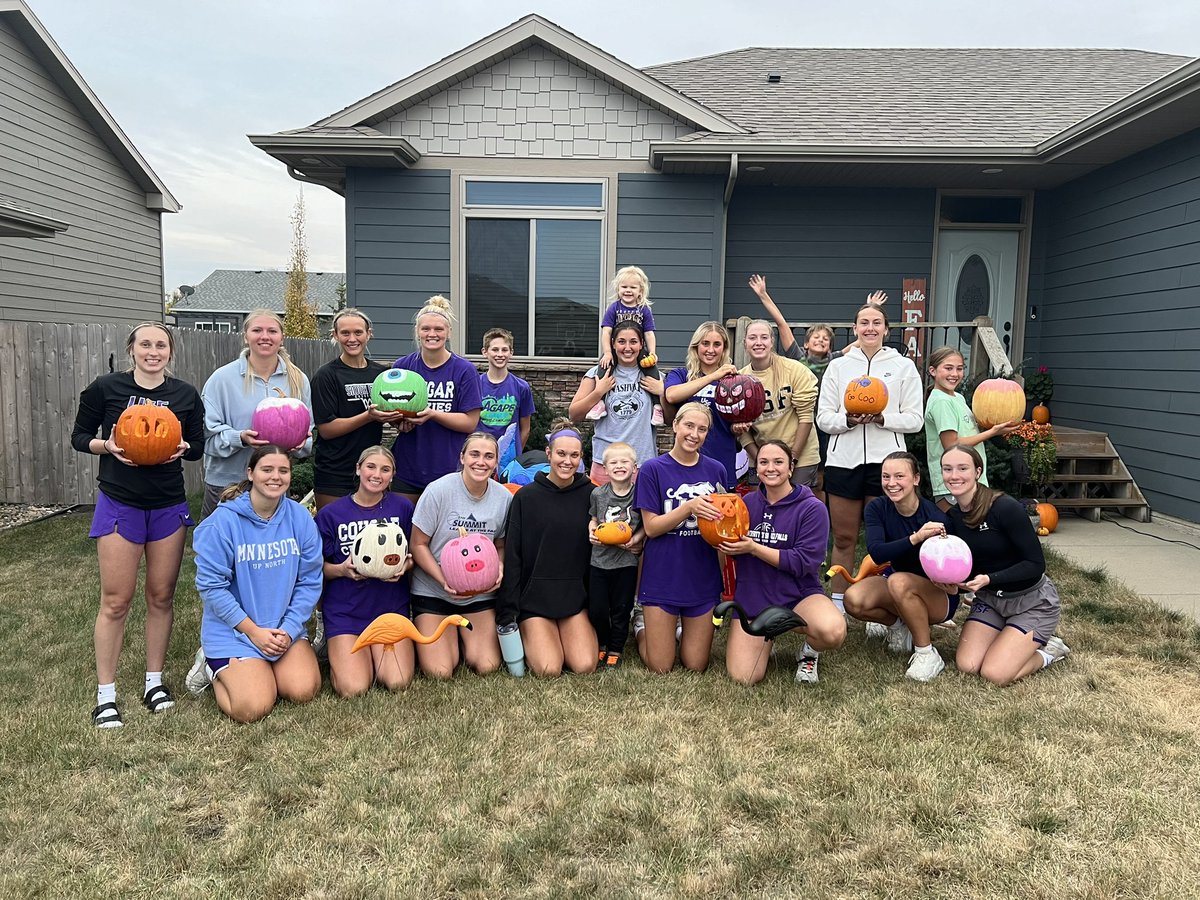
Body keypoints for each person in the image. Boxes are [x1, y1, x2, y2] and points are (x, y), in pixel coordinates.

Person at [71, 323, 205, 728]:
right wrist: (106, 446)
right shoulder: (105, 388)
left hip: (167, 505)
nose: (153, 351)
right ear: (132, 349)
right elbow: (79, 436)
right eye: (145, 344)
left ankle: (153, 682)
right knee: (115, 600)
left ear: (170, 352)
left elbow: (197, 448)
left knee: (161, 596)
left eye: (161, 345)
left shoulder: (184, 395)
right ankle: (106, 695)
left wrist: (183, 447)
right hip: (120, 502)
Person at [189, 446, 323, 723]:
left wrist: (288, 629)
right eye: (267, 469)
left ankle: (263, 669)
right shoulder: (223, 522)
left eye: (283, 471)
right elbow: (212, 588)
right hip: (236, 631)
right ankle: (211, 665)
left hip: (282, 629)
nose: (276, 477)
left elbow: (310, 581)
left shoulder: (300, 518)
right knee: (252, 708)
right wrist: (253, 632)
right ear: (250, 473)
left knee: (303, 690)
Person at [816, 302, 924, 611]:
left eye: (877, 322)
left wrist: (882, 419)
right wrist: (848, 421)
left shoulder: (903, 366)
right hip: (844, 461)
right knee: (846, 537)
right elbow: (824, 417)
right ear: (855, 328)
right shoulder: (838, 366)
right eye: (864, 322)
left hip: (887, 462)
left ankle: (885, 600)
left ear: (886, 329)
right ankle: (838, 601)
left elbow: (915, 419)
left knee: (888, 538)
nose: (870, 328)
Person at [941, 444, 1071, 685]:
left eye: (962, 468)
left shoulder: (1004, 507)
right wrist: (955, 587)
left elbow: (1035, 564)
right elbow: (968, 568)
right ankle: (1010, 637)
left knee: (995, 674)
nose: (954, 475)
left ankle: (1049, 651)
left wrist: (990, 579)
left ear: (978, 471)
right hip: (990, 600)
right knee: (967, 665)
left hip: (1032, 601)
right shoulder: (953, 517)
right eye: (947, 469)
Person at [720, 440, 845, 685]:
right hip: (754, 597)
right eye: (764, 462)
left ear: (791, 468)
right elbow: (730, 550)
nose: (771, 468)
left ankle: (809, 651)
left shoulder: (812, 508)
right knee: (744, 677)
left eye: (778, 462)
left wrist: (754, 548)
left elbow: (805, 562)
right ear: (757, 468)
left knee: (833, 631)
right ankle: (766, 641)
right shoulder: (743, 506)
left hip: (798, 595)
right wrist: (719, 539)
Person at [844, 451, 956, 682]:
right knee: (853, 599)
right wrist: (915, 538)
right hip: (898, 585)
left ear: (915, 479)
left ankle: (926, 652)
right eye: (886, 477)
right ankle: (898, 626)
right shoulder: (877, 508)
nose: (891, 483)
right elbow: (877, 551)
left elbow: (952, 567)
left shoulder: (935, 518)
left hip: (938, 595)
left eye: (899, 476)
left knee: (898, 580)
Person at [497, 421, 598, 676]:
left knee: (585, 665)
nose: (567, 461)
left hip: (574, 599)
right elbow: (514, 556)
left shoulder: (593, 495)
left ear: (581, 458)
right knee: (548, 669)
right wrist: (508, 612)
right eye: (561, 454)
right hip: (534, 600)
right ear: (549, 453)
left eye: (574, 455)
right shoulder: (525, 498)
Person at [634, 402, 727, 674]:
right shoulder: (653, 469)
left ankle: (675, 631)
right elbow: (651, 528)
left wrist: (720, 576)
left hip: (702, 575)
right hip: (663, 574)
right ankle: (641, 626)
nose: (694, 434)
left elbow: (724, 524)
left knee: (696, 665)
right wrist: (688, 507)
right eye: (689, 426)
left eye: (702, 429)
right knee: (660, 666)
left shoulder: (716, 470)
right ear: (675, 426)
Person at [315, 446, 415, 697]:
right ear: (358, 469)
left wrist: (405, 566)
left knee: (397, 681)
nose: (377, 474)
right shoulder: (331, 514)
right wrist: (341, 570)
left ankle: (371, 651)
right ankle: (337, 645)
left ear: (392, 475)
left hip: (389, 609)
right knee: (353, 688)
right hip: (346, 610)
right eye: (370, 466)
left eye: (385, 469)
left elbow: (414, 555)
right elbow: (315, 569)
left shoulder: (402, 509)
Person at [408, 432, 510, 678]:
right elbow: (418, 544)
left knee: (487, 665)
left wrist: (500, 567)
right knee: (439, 671)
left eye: (489, 456)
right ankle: (447, 638)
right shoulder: (438, 491)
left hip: (479, 595)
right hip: (434, 591)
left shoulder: (503, 497)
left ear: (496, 462)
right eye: (474, 454)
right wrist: (444, 579)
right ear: (462, 457)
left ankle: (466, 639)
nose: (481, 462)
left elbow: (500, 544)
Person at [200, 309, 312, 518]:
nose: (265, 336)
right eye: (257, 330)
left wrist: (300, 444)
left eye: (272, 331)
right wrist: (239, 438)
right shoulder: (222, 379)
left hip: (274, 483)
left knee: (269, 548)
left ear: (282, 337)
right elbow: (206, 438)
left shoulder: (298, 379)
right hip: (227, 485)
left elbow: (308, 435)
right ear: (245, 336)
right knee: (220, 548)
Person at [390, 296, 482, 503]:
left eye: (439, 329)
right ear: (417, 331)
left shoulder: (464, 370)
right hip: (408, 467)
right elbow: (392, 408)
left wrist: (433, 414)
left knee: (445, 533)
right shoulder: (402, 367)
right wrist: (399, 422)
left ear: (448, 332)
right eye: (426, 329)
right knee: (405, 530)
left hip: (449, 468)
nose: (432, 334)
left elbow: (470, 422)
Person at [311, 309, 405, 511]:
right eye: (345, 333)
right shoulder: (326, 376)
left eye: (358, 332)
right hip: (334, 471)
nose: (352, 339)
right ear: (335, 335)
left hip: (372, 471)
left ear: (369, 334)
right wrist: (369, 416)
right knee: (334, 533)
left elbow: (391, 412)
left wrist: (402, 421)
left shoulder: (381, 375)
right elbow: (327, 429)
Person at [923, 346, 1018, 511]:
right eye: (948, 368)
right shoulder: (941, 402)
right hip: (953, 481)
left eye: (959, 369)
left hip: (968, 478)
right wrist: (992, 432)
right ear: (932, 370)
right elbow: (952, 445)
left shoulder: (956, 397)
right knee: (957, 531)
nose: (955, 374)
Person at [569, 321, 663, 485]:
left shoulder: (656, 377)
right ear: (612, 343)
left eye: (633, 342)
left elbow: (670, 419)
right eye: (621, 341)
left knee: (642, 511)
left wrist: (662, 392)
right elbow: (574, 414)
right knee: (602, 509)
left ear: (642, 344)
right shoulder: (597, 375)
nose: (627, 348)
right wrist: (598, 392)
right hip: (606, 463)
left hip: (642, 463)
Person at [735, 320, 820, 488]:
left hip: (799, 454)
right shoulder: (739, 380)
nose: (758, 342)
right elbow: (740, 428)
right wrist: (760, 458)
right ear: (745, 343)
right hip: (760, 452)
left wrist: (791, 459)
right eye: (752, 338)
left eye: (764, 337)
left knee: (795, 507)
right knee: (760, 506)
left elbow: (806, 417)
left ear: (772, 341)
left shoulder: (795, 370)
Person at [587, 442, 645, 669]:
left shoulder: (639, 494)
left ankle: (615, 648)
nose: (619, 466)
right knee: (598, 609)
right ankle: (602, 642)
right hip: (599, 561)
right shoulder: (598, 494)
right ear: (604, 468)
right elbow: (593, 518)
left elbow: (645, 524)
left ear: (634, 467)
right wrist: (590, 529)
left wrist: (637, 539)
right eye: (613, 462)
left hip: (626, 562)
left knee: (621, 608)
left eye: (624, 462)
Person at [662, 321, 740, 488]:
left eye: (717, 344)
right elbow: (671, 395)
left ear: (724, 349)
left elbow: (737, 418)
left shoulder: (733, 380)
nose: (710, 350)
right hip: (683, 461)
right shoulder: (681, 374)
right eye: (705, 343)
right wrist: (713, 377)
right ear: (696, 346)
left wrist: (741, 425)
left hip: (721, 460)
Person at [590, 265, 663, 426]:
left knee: (652, 371)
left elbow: (649, 333)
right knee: (603, 368)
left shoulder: (644, 310)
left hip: (638, 350)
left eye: (632, 287)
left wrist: (652, 352)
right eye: (624, 287)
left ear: (640, 290)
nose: (628, 290)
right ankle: (600, 403)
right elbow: (606, 332)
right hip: (615, 350)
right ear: (618, 289)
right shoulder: (613, 308)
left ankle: (657, 406)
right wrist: (608, 352)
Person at [477, 327, 535, 472]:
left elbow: (525, 428)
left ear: (511, 353)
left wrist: (513, 454)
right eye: (495, 350)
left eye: (504, 350)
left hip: (508, 460)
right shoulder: (475, 385)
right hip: (479, 455)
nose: (500, 354)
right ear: (485, 352)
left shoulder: (521, 387)